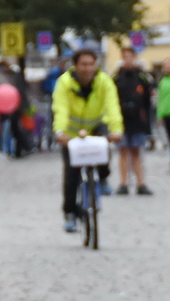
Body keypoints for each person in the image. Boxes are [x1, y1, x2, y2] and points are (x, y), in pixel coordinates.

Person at [52, 47, 122, 232]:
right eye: (83, 64)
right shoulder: (64, 83)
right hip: (71, 133)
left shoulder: (104, 81)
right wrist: (60, 132)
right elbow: (61, 108)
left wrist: (117, 130)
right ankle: (70, 213)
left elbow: (112, 106)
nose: (88, 68)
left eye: (91, 64)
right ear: (75, 66)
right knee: (71, 174)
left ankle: (104, 177)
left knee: (105, 146)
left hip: (96, 126)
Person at [112, 45, 154, 196]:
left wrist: (148, 125)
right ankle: (123, 183)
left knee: (137, 152)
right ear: (122, 58)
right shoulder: (116, 78)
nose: (128, 59)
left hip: (137, 120)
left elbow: (148, 102)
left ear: (134, 58)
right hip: (121, 120)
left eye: (130, 56)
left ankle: (140, 183)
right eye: (125, 56)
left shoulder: (142, 77)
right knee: (123, 151)